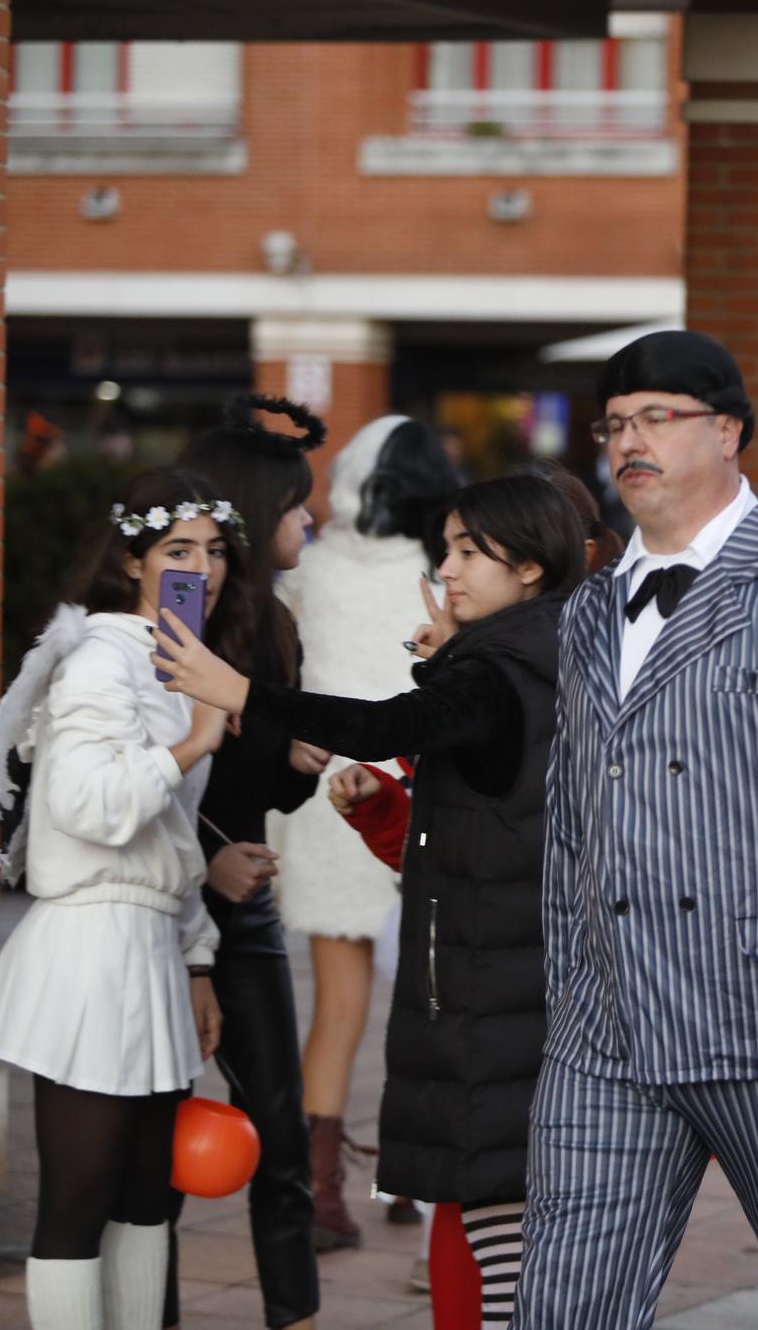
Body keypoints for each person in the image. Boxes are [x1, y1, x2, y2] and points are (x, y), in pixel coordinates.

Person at [512, 330, 758, 1330]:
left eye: (655, 419)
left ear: (726, 431)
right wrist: (568, 993)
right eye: (615, 424)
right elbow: (572, 817)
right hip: (606, 1026)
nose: (628, 442)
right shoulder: (592, 605)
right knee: (560, 1304)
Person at [154, 474, 587, 1330]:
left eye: (471, 551)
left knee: (503, 1233)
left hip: (495, 990)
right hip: (506, 975)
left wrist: (234, 689)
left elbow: (387, 725)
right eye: (449, 547)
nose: (449, 567)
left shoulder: (502, 670)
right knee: (511, 1236)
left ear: (531, 567)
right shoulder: (540, 654)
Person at [0, 469, 244, 1329]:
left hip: (148, 949)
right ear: (131, 562)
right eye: (179, 550)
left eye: (216, 551)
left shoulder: (180, 663)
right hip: (88, 951)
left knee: (146, 1199)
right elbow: (87, 806)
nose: (205, 568)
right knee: (79, 1204)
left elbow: (174, 838)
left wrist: (196, 960)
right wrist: (192, 745)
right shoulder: (99, 658)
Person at [267, 413, 458, 1249]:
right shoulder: (444, 570)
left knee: (337, 1003)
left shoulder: (310, 567)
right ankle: (419, 1182)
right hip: (428, 788)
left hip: (325, 795)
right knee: (439, 993)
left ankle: (321, 1193)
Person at [158, 396, 329, 1330]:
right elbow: (152, 774)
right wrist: (208, 863)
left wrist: (302, 767)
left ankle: (294, 1317)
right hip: (165, 911)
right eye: (300, 505)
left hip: (246, 916)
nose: (313, 520)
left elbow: (260, 785)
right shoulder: (183, 617)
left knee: (281, 1130)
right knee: (160, 1136)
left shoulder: (277, 621)